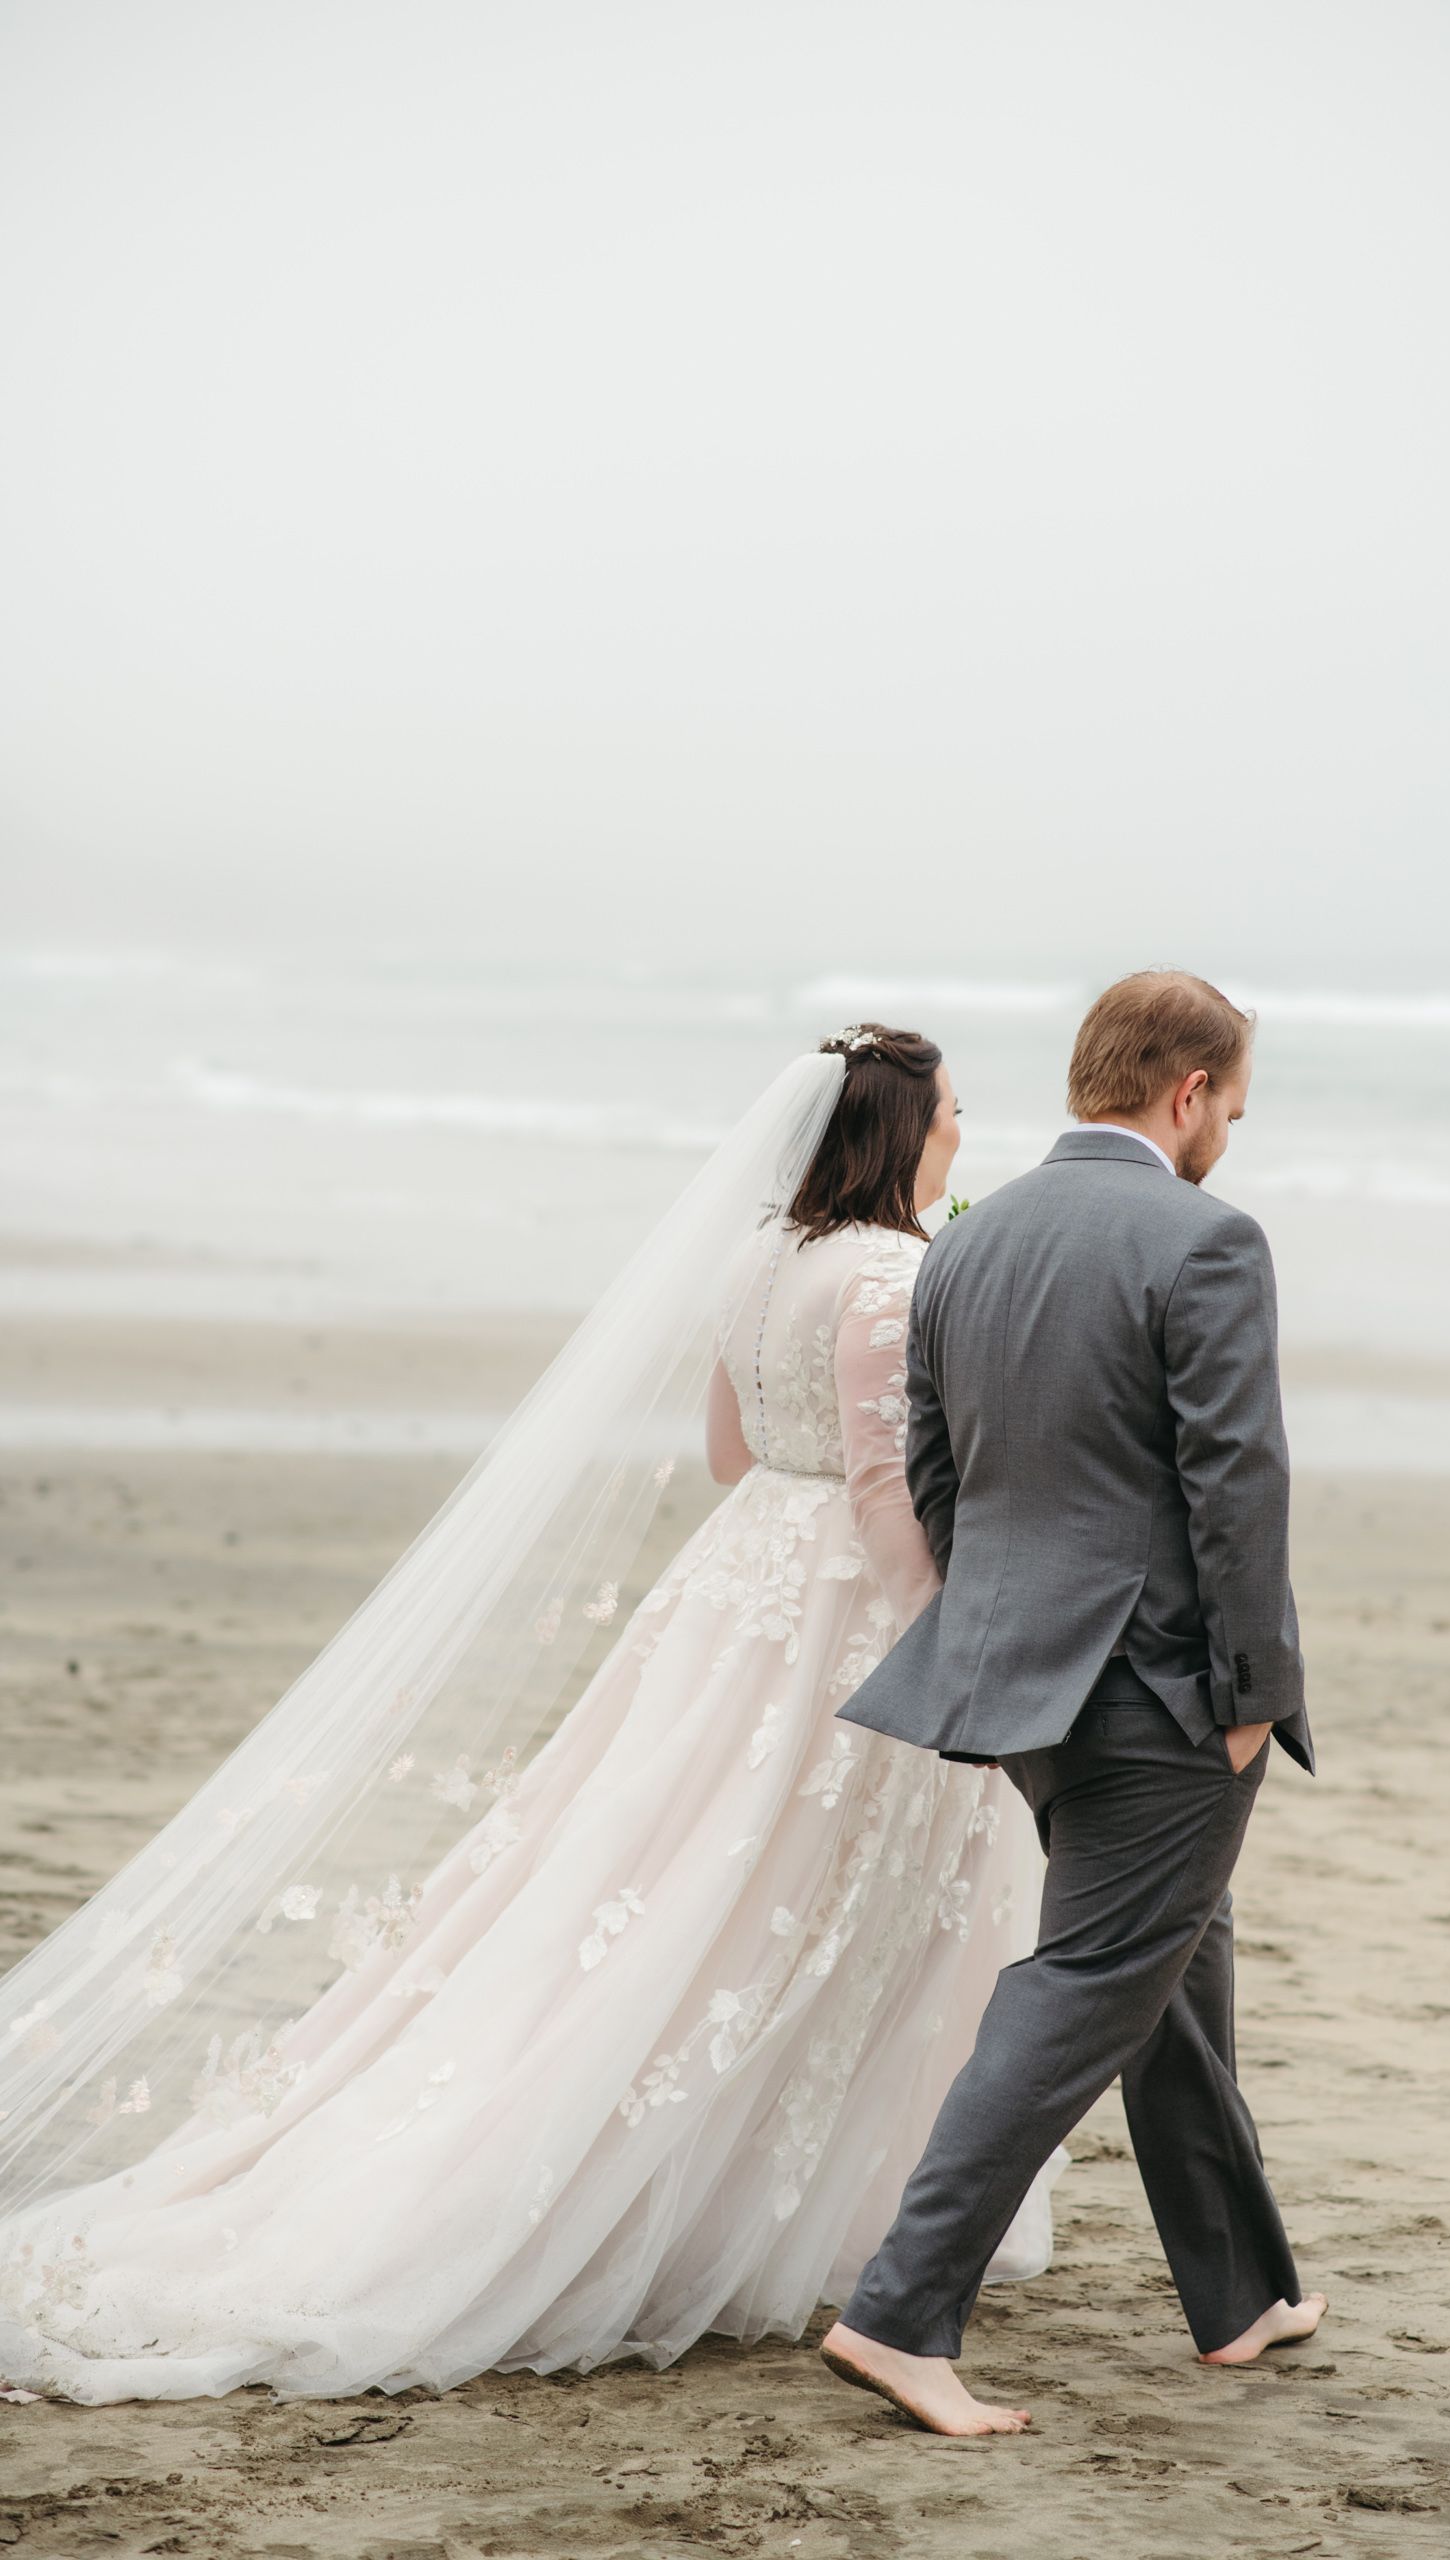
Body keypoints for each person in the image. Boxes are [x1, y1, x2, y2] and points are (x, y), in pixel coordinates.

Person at [0, 1026, 1058, 2403]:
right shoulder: (889, 1273)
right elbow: (877, 1488)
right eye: (955, 1114)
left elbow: (728, 1451)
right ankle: (762, 2207)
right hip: (843, 1613)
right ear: (900, 1131)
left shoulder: (760, 1260)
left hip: (736, 1588)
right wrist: (948, 1640)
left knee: (682, 1876)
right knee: (803, 1899)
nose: (963, 1136)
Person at [822, 970, 1327, 2436]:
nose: (1230, 1129)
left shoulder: (966, 1247)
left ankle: (1240, 2293)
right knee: (1091, 1981)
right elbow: (1240, 1484)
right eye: (1231, 1104)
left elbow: (935, 1470)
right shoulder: (1209, 1237)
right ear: (1187, 1095)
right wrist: (1252, 1693)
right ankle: (902, 2313)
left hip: (1022, 1678)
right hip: (1167, 1688)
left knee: (1169, 1961)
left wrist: (998, 1623)